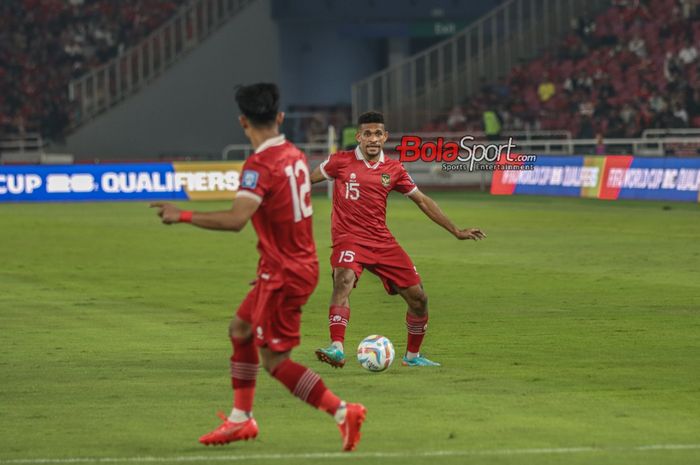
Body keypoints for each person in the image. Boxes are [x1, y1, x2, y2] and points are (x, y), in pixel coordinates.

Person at [150, 83, 366, 451]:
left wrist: (181, 214)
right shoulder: (295, 153)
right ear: (279, 117)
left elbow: (237, 219)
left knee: (275, 360)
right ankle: (241, 419)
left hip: (286, 272)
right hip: (285, 265)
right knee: (241, 328)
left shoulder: (260, 165)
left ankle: (343, 411)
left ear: (242, 121)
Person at [310, 111, 486, 369]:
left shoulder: (394, 169)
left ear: (385, 137)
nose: (373, 138)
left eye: (378, 133)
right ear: (358, 136)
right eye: (367, 133)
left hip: (381, 241)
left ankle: (412, 357)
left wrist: (456, 231)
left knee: (419, 299)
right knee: (343, 280)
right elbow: (306, 180)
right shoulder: (340, 162)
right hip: (349, 239)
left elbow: (423, 201)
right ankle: (336, 348)